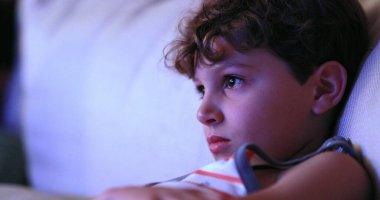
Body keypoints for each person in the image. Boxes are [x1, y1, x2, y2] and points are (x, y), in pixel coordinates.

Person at [94, 0, 373, 199]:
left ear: (323, 88)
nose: (203, 112)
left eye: (231, 81)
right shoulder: (217, 174)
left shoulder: (336, 168)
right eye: (201, 90)